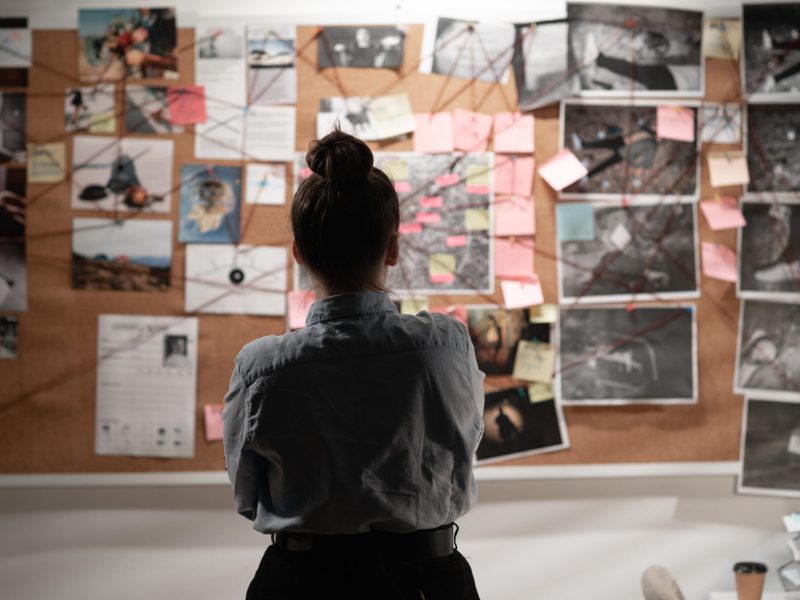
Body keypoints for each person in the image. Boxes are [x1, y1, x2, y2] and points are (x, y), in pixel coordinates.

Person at [223, 129, 485, 600]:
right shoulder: (446, 344)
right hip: (428, 581)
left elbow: (248, 496)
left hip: (302, 584)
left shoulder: (260, 366)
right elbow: (464, 445)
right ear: (392, 248)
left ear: (299, 254)